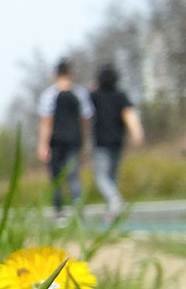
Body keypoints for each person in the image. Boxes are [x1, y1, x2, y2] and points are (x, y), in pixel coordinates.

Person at [37, 58, 94, 222]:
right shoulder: (80, 93)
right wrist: (84, 144)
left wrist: (42, 145)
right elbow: (85, 121)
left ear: (55, 74)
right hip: (74, 141)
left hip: (55, 142)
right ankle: (78, 209)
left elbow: (46, 122)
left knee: (56, 178)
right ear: (71, 73)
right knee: (74, 176)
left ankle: (59, 213)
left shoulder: (49, 95)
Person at [89, 64, 144, 220]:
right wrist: (137, 132)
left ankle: (114, 199)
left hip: (101, 142)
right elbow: (130, 114)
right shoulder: (120, 96)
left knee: (101, 177)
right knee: (112, 176)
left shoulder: (95, 96)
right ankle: (112, 212)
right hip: (117, 141)